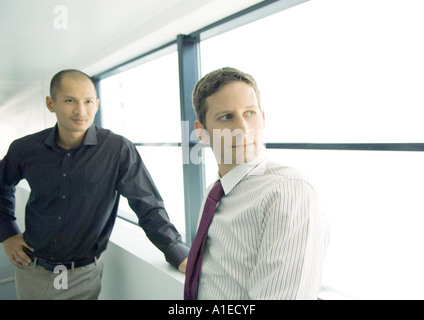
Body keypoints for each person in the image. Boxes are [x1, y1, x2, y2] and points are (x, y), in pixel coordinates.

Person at [0, 69, 188, 300]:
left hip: (83, 276)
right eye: (70, 101)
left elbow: (147, 204)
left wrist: (177, 253)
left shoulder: (117, 150)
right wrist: (7, 233)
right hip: (31, 268)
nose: (81, 110)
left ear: (97, 104)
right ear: (51, 103)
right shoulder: (25, 148)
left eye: (88, 101)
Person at [184, 67, 330, 300]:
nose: (242, 129)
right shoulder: (216, 192)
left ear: (262, 118)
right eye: (226, 117)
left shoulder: (287, 192)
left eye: (250, 113)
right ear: (202, 133)